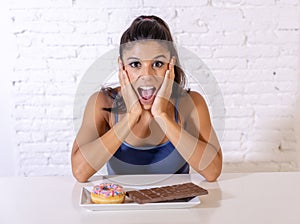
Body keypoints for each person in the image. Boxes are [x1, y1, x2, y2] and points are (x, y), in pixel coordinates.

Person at [71, 15, 222, 182]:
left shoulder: (190, 103)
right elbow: (79, 172)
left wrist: (162, 115)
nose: (147, 75)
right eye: (135, 64)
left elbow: (213, 171)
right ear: (122, 67)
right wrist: (131, 116)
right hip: (122, 207)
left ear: (170, 66)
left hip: (177, 208)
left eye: (157, 64)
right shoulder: (103, 103)